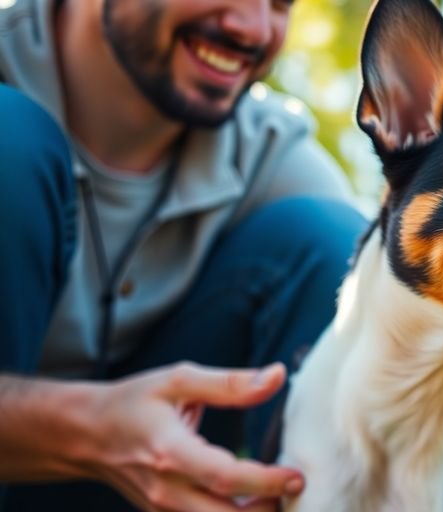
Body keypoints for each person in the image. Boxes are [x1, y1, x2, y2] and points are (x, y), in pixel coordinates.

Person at [0, 0, 368, 510]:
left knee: (336, 247)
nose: (253, 28)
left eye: (281, 3)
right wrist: (89, 432)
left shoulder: (272, 155)